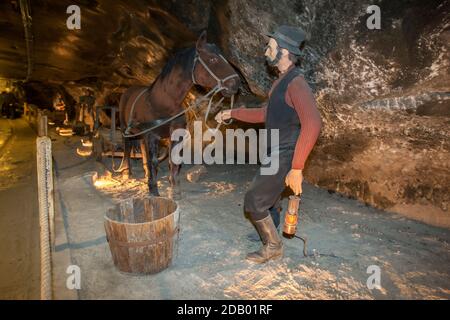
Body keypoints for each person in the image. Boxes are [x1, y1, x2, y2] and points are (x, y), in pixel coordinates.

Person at [216, 25, 323, 264]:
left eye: (271, 46)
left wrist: (297, 167)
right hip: (276, 150)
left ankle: (273, 246)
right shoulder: (281, 82)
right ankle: (269, 233)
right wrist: (232, 112)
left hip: (286, 152)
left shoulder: (296, 83)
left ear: (284, 52)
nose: (266, 50)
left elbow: (313, 124)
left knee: (254, 200)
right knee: (271, 198)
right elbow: (265, 114)